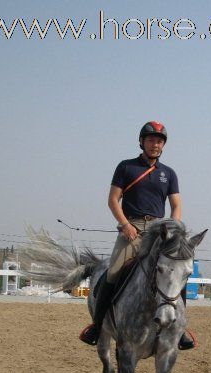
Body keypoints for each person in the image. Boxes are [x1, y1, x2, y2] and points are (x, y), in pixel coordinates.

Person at [79, 121, 195, 350]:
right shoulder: (126, 167)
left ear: (163, 145)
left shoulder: (169, 174)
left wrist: (172, 229)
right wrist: (124, 225)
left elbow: (176, 205)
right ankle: (97, 324)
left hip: (159, 231)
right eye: (151, 139)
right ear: (142, 141)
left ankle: (179, 329)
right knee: (113, 272)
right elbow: (113, 200)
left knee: (175, 272)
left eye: (159, 141)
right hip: (130, 228)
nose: (155, 144)